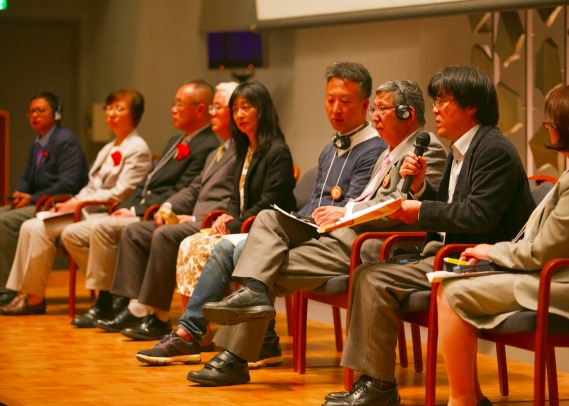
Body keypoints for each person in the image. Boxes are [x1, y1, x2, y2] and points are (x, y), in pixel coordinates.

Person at [188, 77, 449, 386]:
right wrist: (341, 215)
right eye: (374, 110)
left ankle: (234, 357)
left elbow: (400, 205)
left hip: (369, 244)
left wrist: (346, 212)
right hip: (340, 234)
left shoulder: (426, 148)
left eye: (382, 109)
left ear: (407, 114)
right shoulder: (387, 153)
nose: (375, 117)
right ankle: (252, 302)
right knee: (268, 219)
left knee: (260, 264)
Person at [135, 62, 390, 366]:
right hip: (309, 229)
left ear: (364, 105)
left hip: (332, 241)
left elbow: (349, 210)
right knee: (226, 247)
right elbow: (312, 205)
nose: (335, 109)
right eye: (330, 100)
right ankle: (197, 333)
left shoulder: (373, 149)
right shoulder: (328, 148)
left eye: (344, 101)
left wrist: (294, 225)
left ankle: (228, 343)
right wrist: (292, 221)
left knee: (247, 249)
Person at [320, 65, 535, 406]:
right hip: (447, 252)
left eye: (442, 101)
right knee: (366, 273)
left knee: (374, 279)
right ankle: (372, 381)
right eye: (434, 101)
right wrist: (421, 188)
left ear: (471, 106)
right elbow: (451, 207)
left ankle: (379, 387)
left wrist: (419, 208)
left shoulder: (493, 149)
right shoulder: (461, 150)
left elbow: (479, 216)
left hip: (476, 260)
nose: (434, 110)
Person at [434, 84, 569, 406]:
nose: (546, 125)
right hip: (560, 277)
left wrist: (493, 251)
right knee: (451, 282)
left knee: (452, 291)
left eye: (550, 120)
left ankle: (463, 403)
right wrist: (493, 256)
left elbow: (543, 252)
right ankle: (469, 399)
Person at [97, 81, 297, 342]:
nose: (239, 114)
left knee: (186, 242)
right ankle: (175, 322)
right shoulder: (244, 149)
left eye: (245, 108)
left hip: (257, 229)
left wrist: (227, 221)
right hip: (235, 224)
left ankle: (192, 328)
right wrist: (225, 215)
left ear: (263, 110)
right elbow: (231, 197)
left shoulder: (275, 151)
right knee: (153, 235)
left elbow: (270, 203)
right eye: (235, 109)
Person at [61, 80, 218, 328]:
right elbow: (147, 182)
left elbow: (184, 189)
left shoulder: (209, 144)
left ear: (199, 110)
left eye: (179, 104)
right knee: (72, 234)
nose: (173, 109)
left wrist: (139, 210)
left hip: (160, 213)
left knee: (104, 229)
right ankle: (117, 295)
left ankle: (110, 300)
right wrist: (129, 206)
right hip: (146, 209)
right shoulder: (176, 140)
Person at [1, 89, 152, 315]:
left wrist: (79, 203)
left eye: (119, 109)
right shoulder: (108, 148)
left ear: (135, 115)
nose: (111, 113)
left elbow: (121, 193)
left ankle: (108, 289)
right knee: (31, 226)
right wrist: (73, 201)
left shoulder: (137, 148)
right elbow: (91, 186)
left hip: (105, 212)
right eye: (109, 108)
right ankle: (30, 295)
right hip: (86, 207)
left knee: (44, 228)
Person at [0, 92, 88, 305]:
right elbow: (26, 177)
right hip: (39, 202)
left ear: (56, 114)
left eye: (40, 110)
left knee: (3, 221)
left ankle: (8, 289)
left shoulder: (66, 141)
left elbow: (68, 184)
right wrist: (19, 194)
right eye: (31, 111)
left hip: (58, 205)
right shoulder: (38, 142)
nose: (34, 115)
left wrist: (32, 199)